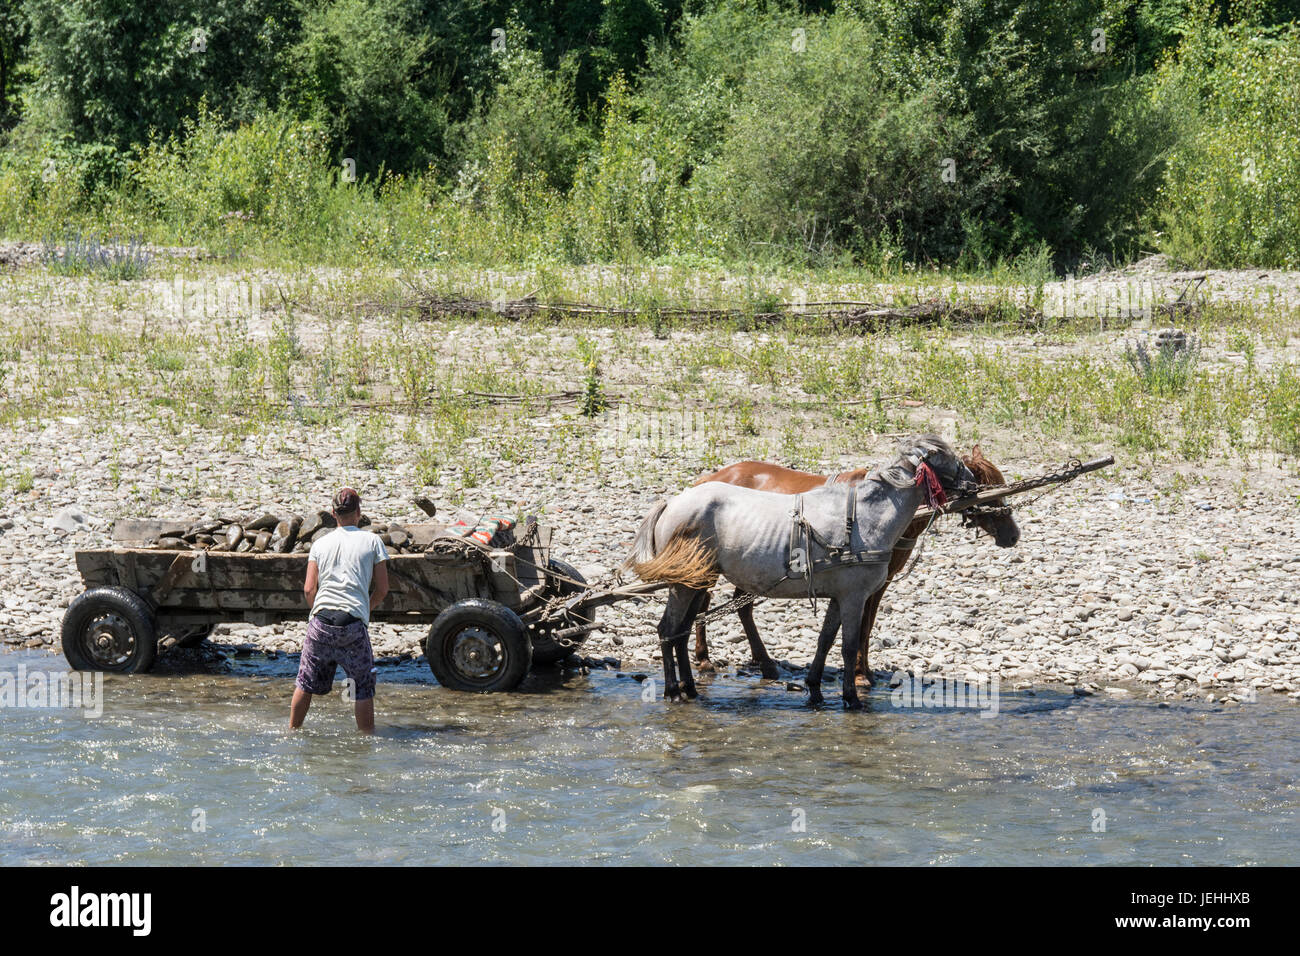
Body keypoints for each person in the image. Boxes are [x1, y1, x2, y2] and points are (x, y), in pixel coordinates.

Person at [290, 488, 389, 734]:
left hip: (321, 622)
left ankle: (292, 731)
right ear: (358, 512)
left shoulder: (320, 543)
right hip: (352, 624)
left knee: (304, 682)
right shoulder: (373, 541)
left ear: (334, 514)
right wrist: (364, 609)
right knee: (361, 686)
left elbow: (309, 589)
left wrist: (319, 617)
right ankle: (365, 740)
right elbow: (383, 588)